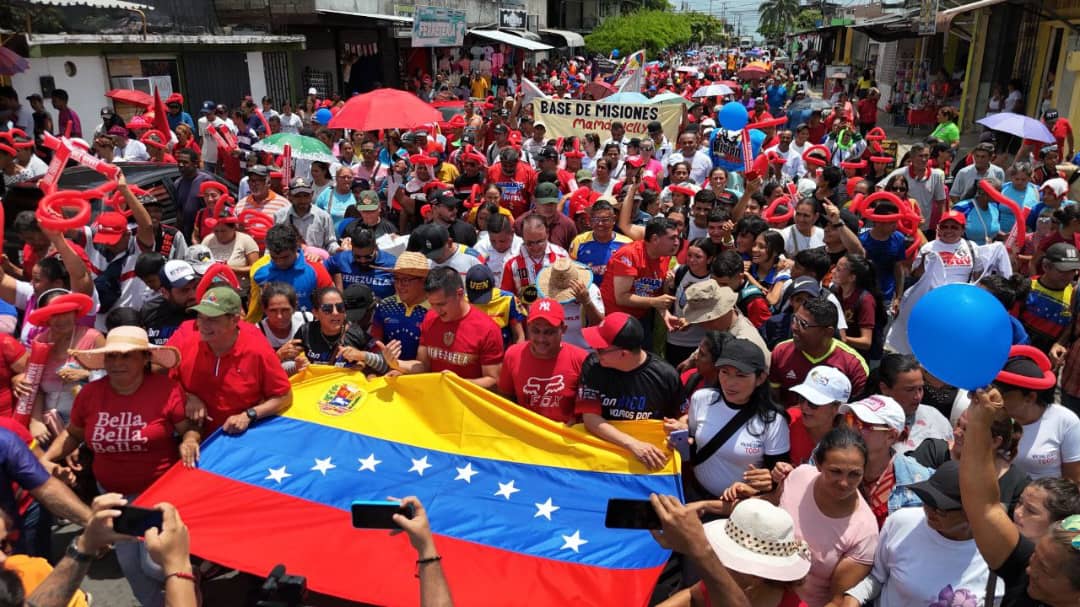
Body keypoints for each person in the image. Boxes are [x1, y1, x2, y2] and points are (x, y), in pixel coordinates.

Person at [37, 326, 193, 607]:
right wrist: (46, 460)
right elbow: (74, 433)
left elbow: (188, 429)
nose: (117, 363)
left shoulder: (166, 390)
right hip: (112, 497)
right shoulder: (90, 394)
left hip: (159, 494)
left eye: (126, 356)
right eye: (111, 357)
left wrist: (190, 440)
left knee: (155, 565)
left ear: (144, 358)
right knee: (132, 567)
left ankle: (191, 595)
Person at [960, 386, 1080, 607]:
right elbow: (984, 507)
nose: (1028, 569)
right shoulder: (1027, 577)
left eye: (1043, 568)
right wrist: (979, 422)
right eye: (1034, 557)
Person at [839, 460, 1001, 607]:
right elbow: (876, 578)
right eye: (927, 501)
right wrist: (854, 597)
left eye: (940, 508)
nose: (929, 511)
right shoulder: (901, 523)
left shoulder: (996, 554)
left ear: (971, 512)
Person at [675, 336, 790, 499]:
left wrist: (771, 479)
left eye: (741, 375)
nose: (730, 382)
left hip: (741, 507)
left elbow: (778, 475)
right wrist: (680, 440)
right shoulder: (701, 399)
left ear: (760, 378)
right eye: (724, 372)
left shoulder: (773, 421)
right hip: (696, 494)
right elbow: (694, 442)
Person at [170, 286, 293, 436]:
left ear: (234, 320)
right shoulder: (187, 343)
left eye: (212, 319)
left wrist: (248, 415)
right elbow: (166, 382)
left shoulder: (257, 350)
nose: (203, 324)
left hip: (241, 439)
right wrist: (188, 397)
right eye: (200, 317)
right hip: (196, 438)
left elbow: (284, 396)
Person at [652, 497, 810, 607]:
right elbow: (694, 596)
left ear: (755, 575)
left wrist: (700, 550)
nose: (720, 560)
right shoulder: (729, 578)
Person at [575, 312, 681, 469]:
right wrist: (633, 445)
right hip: (602, 454)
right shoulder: (593, 366)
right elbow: (590, 419)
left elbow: (682, 414)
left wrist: (681, 425)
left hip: (650, 461)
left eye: (601, 349)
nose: (594, 351)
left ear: (624, 353)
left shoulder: (665, 375)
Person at [390, 267, 503, 389]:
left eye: (441, 304)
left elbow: (494, 381)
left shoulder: (487, 329)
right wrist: (398, 364)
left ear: (459, 294)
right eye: (432, 304)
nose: (437, 311)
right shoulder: (430, 318)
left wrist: (458, 383)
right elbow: (424, 366)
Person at [909, 406, 1029, 515]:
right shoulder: (933, 452)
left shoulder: (1017, 483)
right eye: (958, 424)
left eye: (967, 430)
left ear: (995, 441)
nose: (956, 433)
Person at [839, 395, 933, 527]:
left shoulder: (919, 481)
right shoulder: (825, 460)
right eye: (851, 419)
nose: (853, 429)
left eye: (863, 425)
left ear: (891, 436)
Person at [993, 347, 1080, 482]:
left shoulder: (1065, 421)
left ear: (1030, 397)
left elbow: (1073, 481)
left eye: (1004, 395)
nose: (997, 399)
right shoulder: (991, 416)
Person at [497, 298, 588, 424]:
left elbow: (588, 409)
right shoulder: (513, 355)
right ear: (528, 327)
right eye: (535, 331)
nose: (541, 339)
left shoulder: (581, 359)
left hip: (566, 438)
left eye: (549, 332)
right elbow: (506, 399)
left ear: (563, 329)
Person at [770, 296, 869, 407]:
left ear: (828, 332)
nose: (794, 327)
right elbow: (773, 401)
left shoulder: (854, 366)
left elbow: (858, 411)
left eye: (803, 324)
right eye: (794, 319)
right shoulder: (781, 352)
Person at [600, 217, 680, 340]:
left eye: (677, 237)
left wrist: (666, 315)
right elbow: (621, 297)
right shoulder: (629, 254)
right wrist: (654, 302)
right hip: (614, 319)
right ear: (655, 239)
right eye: (672, 238)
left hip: (639, 319)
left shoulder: (665, 256)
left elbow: (654, 294)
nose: (677, 242)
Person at [296, 286, 395, 372]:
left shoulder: (358, 334)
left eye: (340, 308)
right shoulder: (305, 331)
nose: (335, 313)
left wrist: (362, 356)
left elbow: (387, 365)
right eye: (327, 309)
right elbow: (287, 363)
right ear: (315, 313)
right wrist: (296, 365)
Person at [248, 224, 334, 321]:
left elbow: (332, 303)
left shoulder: (316, 270)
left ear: (296, 248)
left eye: (285, 257)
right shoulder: (259, 272)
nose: (280, 262)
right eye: (274, 258)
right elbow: (255, 308)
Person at [876, 353, 954, 453]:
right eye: (909, 390)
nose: (918, 396)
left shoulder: (934, 416)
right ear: (885, 388)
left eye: (920, 388)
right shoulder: (868, 424)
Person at [1019, 242, 1078, 354]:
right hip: (1018, 351)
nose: (1069, 276)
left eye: (1073, 271)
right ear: (1045, 267)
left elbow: (1071, 324)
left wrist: (1059, 343)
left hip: (1047, 358)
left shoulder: (1074, 295)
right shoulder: (1027, 287)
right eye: (1063, 271)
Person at [370, 252, 431, 361]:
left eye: (405, 280)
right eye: (396, 279)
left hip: (422, 376)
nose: (399, 285)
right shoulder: (385, 306)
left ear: (423, 281)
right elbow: (376, 342)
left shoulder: (435, 310)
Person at [785, 365, 852, 465]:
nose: (804, 407)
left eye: (813, 403)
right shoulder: (788, 421)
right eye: (802, 398)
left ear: (837, 407)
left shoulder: (853, 435)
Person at [876, 143, 946, 233]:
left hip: (923, 228)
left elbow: (941, 202)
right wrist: (893, 204)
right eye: (920, 156)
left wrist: (943, 223)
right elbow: (879, 187)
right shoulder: (901, 172)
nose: (924, 159)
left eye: (926, 156)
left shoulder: (936, 176)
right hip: (899, 228)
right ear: (912, 158)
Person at [569, 199, 631, 286]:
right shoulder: (578, 241)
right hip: (586, 293)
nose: (600, 224)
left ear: (613, 219)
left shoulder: (627, 244)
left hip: (615, 295)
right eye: (596, 219)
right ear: (590, 221)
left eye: (605, 220)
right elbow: (571, 271)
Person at [325, 225, 396, 301]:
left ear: (375, 247)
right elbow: (317, 272)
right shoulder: (341, 259)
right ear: (352, 248)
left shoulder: (392, 264)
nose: (363, 261)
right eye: (357, 257)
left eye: (368, 257)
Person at [276, 177, 339, 255]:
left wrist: (338, 250)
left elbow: (330, 243)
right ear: (290, 196)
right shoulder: (280, 216)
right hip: (289, 263)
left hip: (316, 261)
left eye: (306, 195)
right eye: (297, 196)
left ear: (312, 194)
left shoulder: (323, 217)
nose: (302, 200)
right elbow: (274, 243)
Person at [746, 230, 791, 310]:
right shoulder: (749, 265)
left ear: (775, 252)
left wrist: (750, 278)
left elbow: (771, 300)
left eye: (761, 247)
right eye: (754, 245)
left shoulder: (781, 273)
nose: (754, 249)